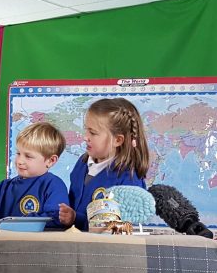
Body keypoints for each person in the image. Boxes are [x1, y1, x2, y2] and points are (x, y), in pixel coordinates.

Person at [59, 98, 149, 230]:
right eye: (86, 130)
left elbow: (122, 227)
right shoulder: (82, 164)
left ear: (117, 140)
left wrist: (76, 218)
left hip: (105, 248)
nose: (86, 137)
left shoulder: (129, 179)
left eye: (93, 133)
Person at [0, 121, 69, 227]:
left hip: (37, 243)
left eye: (28, 156)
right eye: (18, 153)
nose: (19, 161)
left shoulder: (54, 185)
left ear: (51, 161)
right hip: (4, 242)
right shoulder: (5, 186)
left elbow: (55, 218)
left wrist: (16, 223)